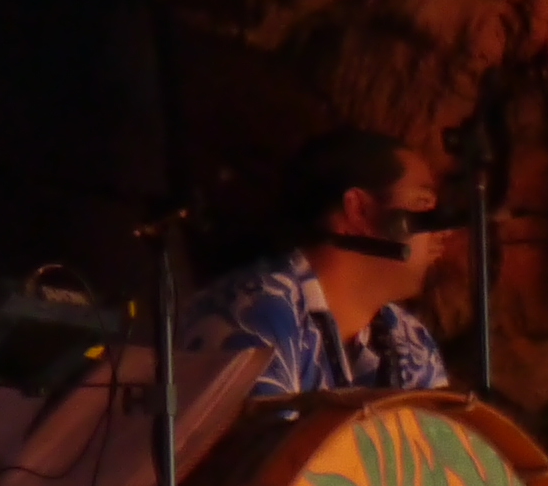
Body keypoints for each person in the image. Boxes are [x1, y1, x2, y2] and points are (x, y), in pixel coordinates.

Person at [183, 130, 458, 397]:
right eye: (423, 203)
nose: (443, 232)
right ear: (359, 209)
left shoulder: (409, 339)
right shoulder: (257, 312)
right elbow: (270, 444)